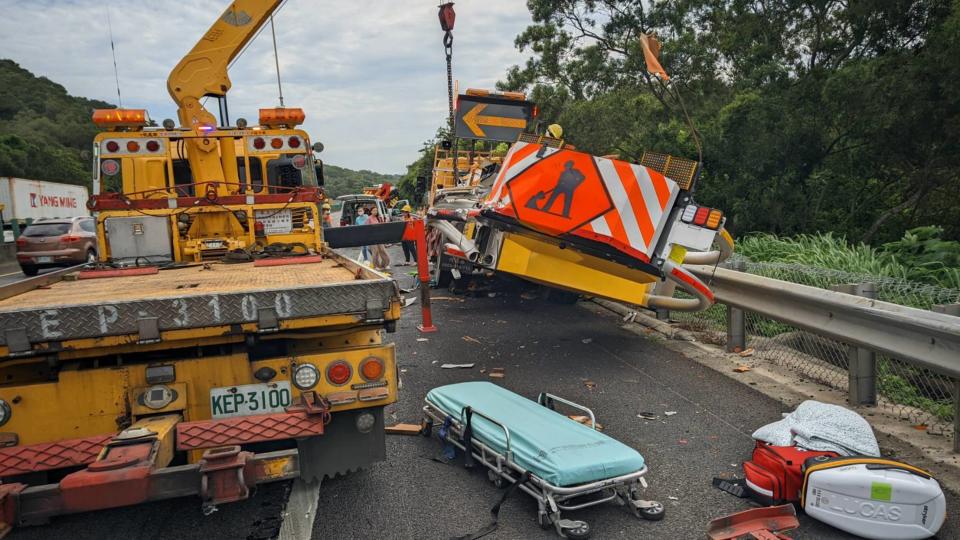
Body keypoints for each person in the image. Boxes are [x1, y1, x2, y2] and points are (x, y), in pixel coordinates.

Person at [365, 206, 391, 270]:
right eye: (374, 210)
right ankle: (376, 266)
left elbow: (381, 226)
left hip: (379, 237)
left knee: (383, 250)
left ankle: (385, 264)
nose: (375, 212)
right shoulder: (369, 219)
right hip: (372, 238)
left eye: (376, 210)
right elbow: (366, 228)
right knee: (375, 252)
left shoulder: (378, 218)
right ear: (371, 211)